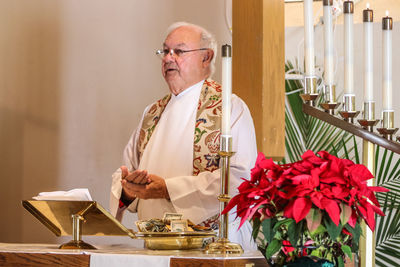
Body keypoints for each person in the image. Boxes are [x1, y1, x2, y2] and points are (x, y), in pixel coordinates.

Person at [110, 22, 257, 251]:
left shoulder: (229, 109)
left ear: (206, 58)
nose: (168, 58)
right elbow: (127, 173)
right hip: (155, 248)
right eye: (165, 51)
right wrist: (128, 190)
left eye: (178, 51)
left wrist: (168, 188)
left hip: (213, 248)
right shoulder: (152, 113)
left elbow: (240, 179)